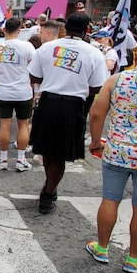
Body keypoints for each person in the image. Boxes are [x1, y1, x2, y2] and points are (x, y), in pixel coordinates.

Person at [85, 34, 137, 273]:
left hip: (116, 151)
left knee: (110, 199)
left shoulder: (117, 79)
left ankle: (102, 248)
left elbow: (96, 113)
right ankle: (134, 258)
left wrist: (96, 141)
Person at [28, 12, 108, 214]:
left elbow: (34, 76)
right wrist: (76, 83)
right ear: (86, 29)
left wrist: (55, 76)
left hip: (48, 103)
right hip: (72, 107)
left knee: (49, 151)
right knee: (57, 154)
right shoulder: (93, 53)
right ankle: (49, 191)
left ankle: (49, 188)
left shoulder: (47, 48)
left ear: (66, 27)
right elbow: (97, 86)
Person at [0, 18, 35, 171]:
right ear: (19, 30)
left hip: (3, 91)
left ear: (4, 30)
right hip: (23, 92)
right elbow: (34, 68)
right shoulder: (27, 46)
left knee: (5, 125)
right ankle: (21, 159)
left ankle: (3, 159)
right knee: (23, 125)